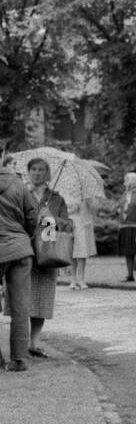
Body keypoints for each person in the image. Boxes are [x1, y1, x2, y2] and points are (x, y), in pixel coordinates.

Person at [25, 158, 74, 355]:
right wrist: (32, 219)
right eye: (34, 169)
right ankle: (20, 340)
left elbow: (68, 224)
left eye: (41, 170)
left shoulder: (56, 199)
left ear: (48, 174)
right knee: (22, 298)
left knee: (42, 298)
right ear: (28, 172)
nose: (37, 173)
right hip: (26, 251)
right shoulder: (21, 194)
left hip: (48, 253)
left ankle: (33, 342)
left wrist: (51, 219)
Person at [0, 149, 39, 371]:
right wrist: (23, 237)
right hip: (20, 248)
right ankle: (19, 359)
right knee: (20, 305)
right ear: (2, 155)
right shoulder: (18, 184)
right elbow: (33, 218)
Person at [118, 172, 136, 282]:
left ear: (134, 181)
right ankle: (130, 275)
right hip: (125, 225)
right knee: (127, 251)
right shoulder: (126, 193)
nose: (126, 183)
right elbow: (121, 205)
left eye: (128, 181)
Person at [67, 189, 95, 290]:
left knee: (82, 253)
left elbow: (93, 210)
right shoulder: (66, 194)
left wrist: (89, 202)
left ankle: (81, 279)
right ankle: (73, 279)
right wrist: (73, 209)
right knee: (72, 254)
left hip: (83, 225)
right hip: (71, 224)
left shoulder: (87, 195)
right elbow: (61, 211)